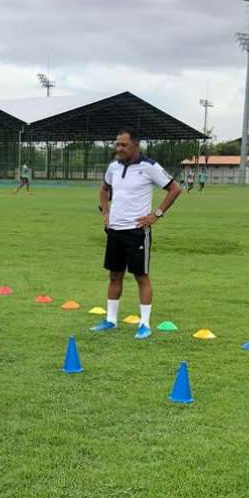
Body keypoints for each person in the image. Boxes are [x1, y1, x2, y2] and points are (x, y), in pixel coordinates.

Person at [91, 127, 183, 340]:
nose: (119, 148)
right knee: (114, 275)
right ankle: (111, 321)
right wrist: (105, 211)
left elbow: (174, 189)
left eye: (124, 144)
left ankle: (144, 324)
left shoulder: (149, 167)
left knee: (141, 276)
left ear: (135, 145)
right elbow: (104, 189)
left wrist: (156, 214)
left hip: (137, 231)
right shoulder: (113, 167)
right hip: (114, 230)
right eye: (117, 144)